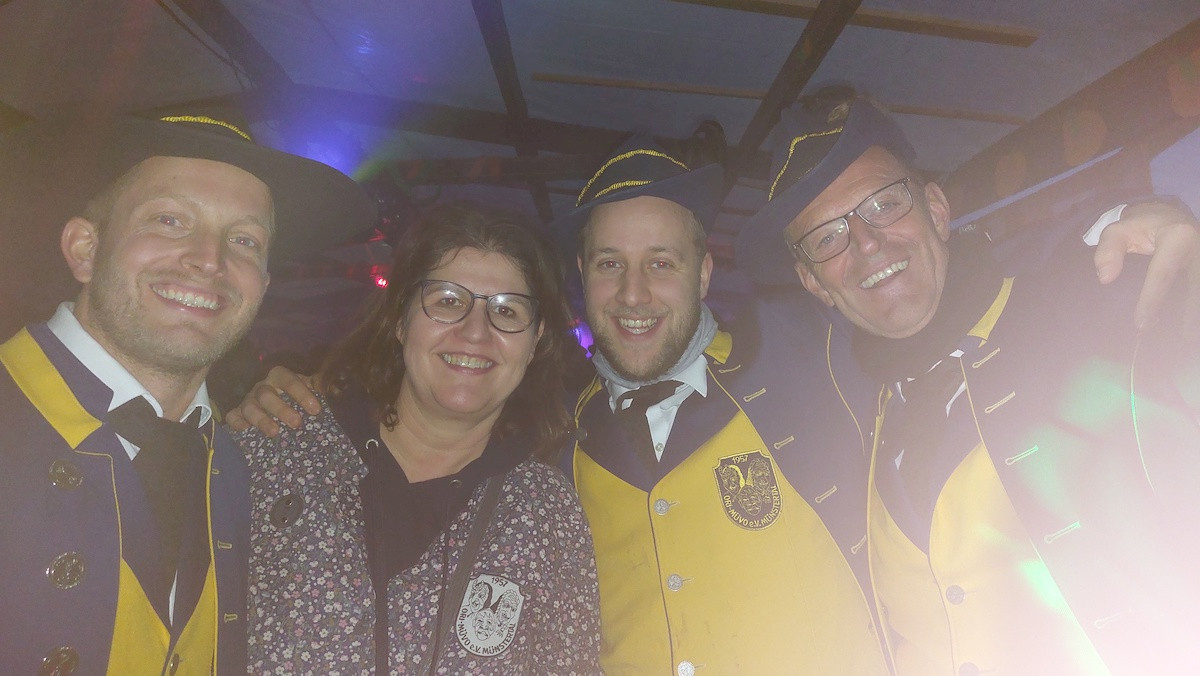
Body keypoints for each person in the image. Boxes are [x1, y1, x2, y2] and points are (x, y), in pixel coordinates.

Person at [233, 129, 1200, 674]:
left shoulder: (815, 361)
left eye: (663, 262)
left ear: (704, 272)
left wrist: (1106, 228)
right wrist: (274, 395)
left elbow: (908, 280)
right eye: (609, 266)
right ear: (578, 287)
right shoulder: (549, 448)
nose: (636, 293)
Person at [735, 92, 1200, 673]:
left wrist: (1152, 220)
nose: (867, 243)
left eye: (884, 204)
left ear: (936, 209)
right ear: (813, 283)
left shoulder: (1089, 313)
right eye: (828, 237)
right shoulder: (851, 409)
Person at [0, 112, 374, 674]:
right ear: (84, 249)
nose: (210, 259)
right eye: (170, 220)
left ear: (263, 286)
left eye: (244, 240)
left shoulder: (242, 462)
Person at [240, 202, 600, 673]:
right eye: (448, 301)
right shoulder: (279, 448)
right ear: (399, 317)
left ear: (535, 342)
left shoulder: (548, 513)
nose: (476, 332)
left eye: (507, 311)